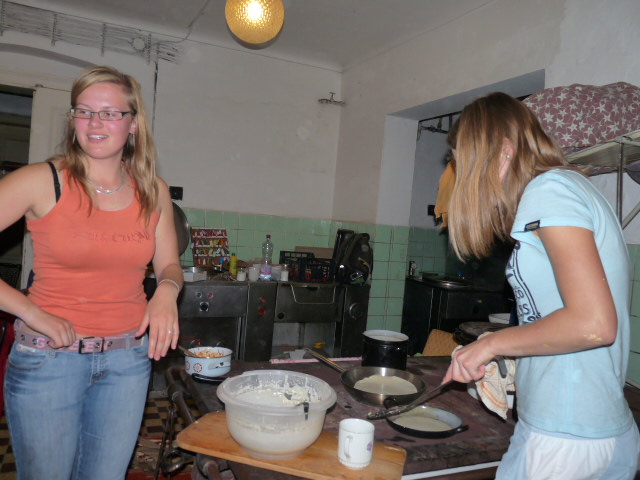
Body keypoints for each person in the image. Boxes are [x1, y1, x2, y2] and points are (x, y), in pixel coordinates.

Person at [442, 92, 639, 479]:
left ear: (504, 151)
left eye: (466, 163)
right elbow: (562, 320)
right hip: (585, 432)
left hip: (565, 440)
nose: (463, 178)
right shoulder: (567, 188)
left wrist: (492, 344)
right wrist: (505, 349)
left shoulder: (549, 191)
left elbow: (594, 324)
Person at [0, 65, 183, 479]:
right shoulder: (42, 180)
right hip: (49, 360)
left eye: (109, 113)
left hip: (127, 362)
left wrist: (167, 291)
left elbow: (169, 264)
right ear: (73, 120)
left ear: (132, 124)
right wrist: (29, 311)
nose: (94, 122)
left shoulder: (153, 190)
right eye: (83, 111)